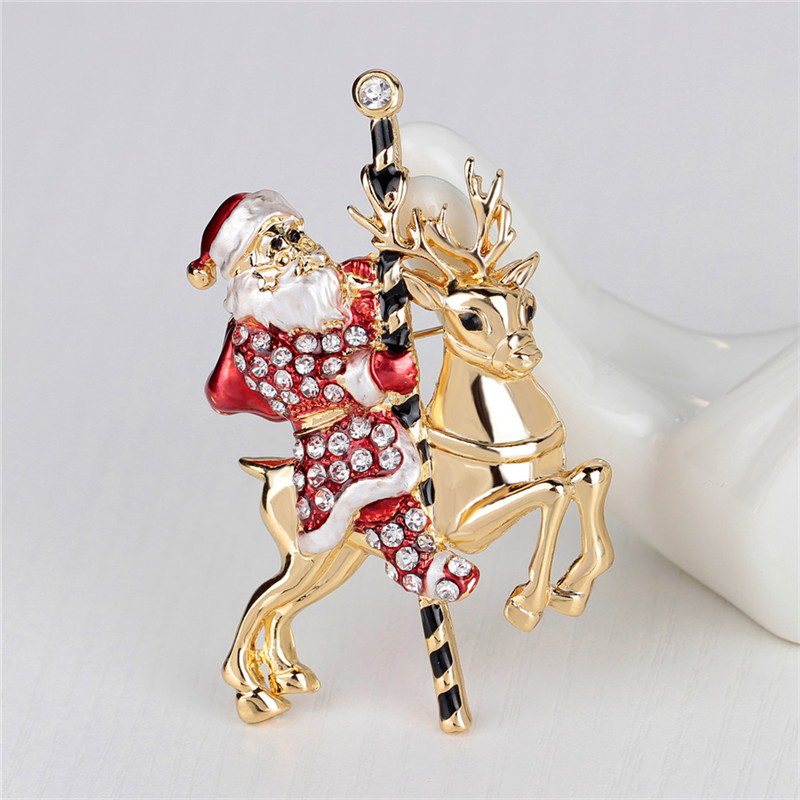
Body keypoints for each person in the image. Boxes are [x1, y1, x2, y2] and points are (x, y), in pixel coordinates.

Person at [188, 190, 478, 601]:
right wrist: (373, 372)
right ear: (248, 271)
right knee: (372, 479)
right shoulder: (252, 337)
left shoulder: (345, 283)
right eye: (275, 246)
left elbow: (392, 301)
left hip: (381, 413)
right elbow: (301, 384)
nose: (295, 250)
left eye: (294, 236)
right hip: (332, 437)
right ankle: (419, 564)